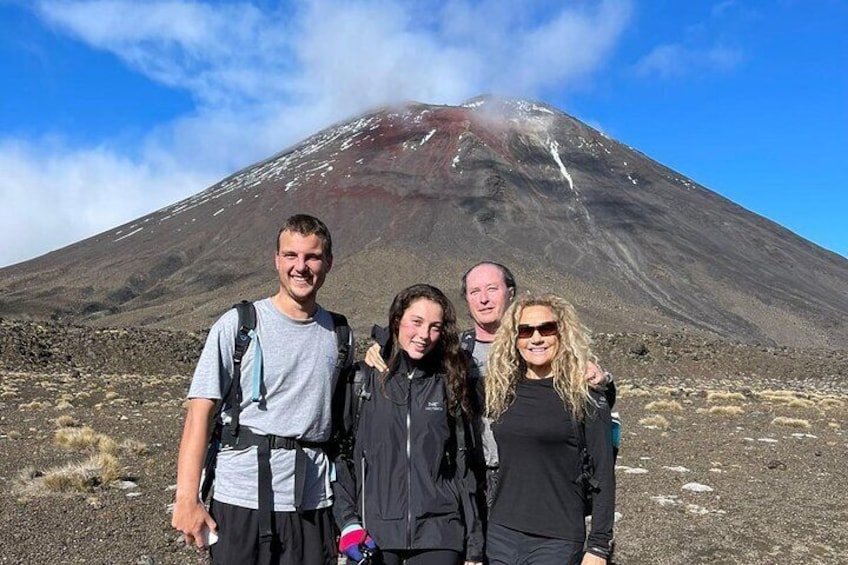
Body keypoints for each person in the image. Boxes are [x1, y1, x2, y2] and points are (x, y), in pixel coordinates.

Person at [171, 214, 352, 565]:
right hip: (240, 499)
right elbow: (199, 414)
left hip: (312, 504)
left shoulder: (340, 335)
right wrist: (186, 499)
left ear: (328, 262)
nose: (301, 267)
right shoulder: (239, 325)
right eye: (291, 256)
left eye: (312, 257)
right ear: (276, 260)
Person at [365, 262, 614, 499]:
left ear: (511, 293)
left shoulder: (537, 346)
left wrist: (602, 381)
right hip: (469, 474)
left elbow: (592, 405)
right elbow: (412, 350)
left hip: (529, 474)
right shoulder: (453, 352)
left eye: (492, 289)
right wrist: (382, 346)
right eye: (475, 291)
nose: (483, 299)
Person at [333, 284, 484, 565]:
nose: (424, 335)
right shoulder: (363, 380)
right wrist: (348, 523)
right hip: (373, 535)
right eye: (416, 322)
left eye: (435, 327)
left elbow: (464, 466)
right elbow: (342, 456)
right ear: (396, 320)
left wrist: (474, 546)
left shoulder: (449, 381)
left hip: (440, 534)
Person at [484, 295, 615, 565]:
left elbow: (603, 475)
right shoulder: (501, 391)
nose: (536, 338)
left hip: (557, 539)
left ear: (562, 333)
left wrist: (599, 546)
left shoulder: (585, 395)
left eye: (546, 329)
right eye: (525, 331)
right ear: (514, 338)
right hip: (500, 534)